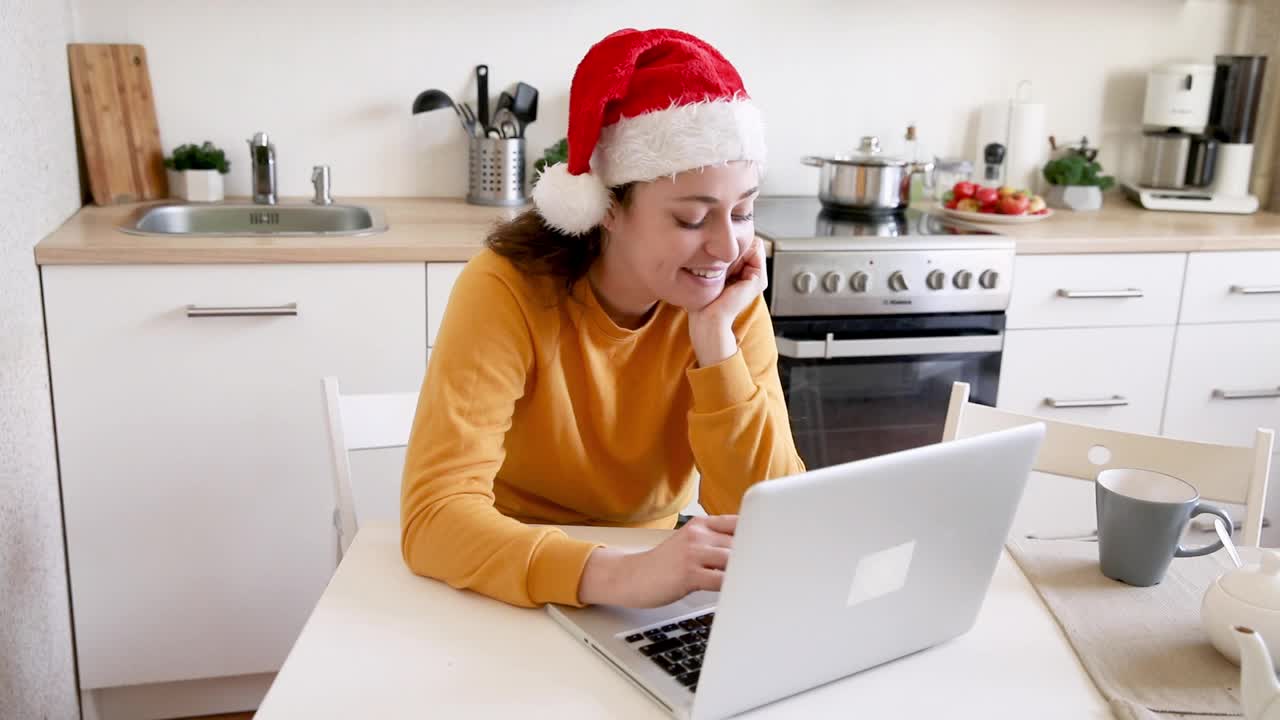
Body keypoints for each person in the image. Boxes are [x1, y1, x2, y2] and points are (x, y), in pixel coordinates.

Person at [400, 27, 804, 611]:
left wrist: (716, 343)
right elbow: (434, 518)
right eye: (693, 219)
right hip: (511, 574)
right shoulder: (505, 289)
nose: (726, 246)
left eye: (743, 211)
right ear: (607, 208)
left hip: (661, 570)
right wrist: (619, 576)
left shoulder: (724, 297)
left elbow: (769, 511)